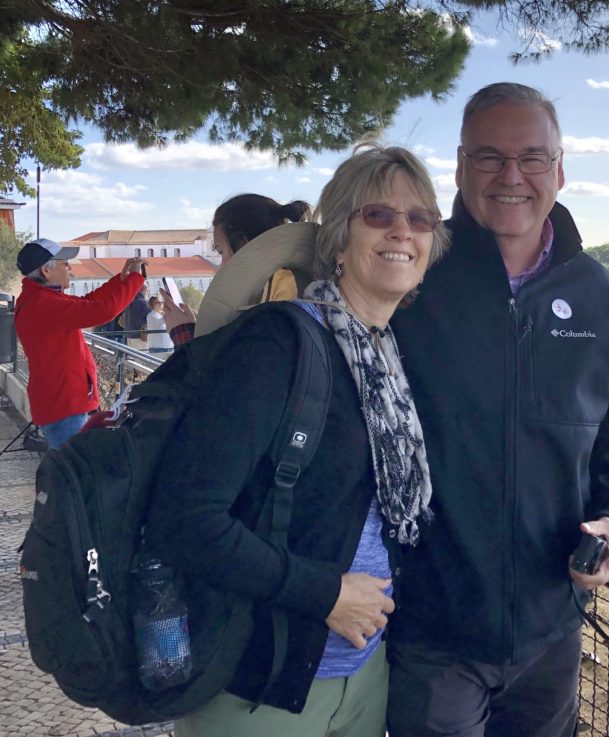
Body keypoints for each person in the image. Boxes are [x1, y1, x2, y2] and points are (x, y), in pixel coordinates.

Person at [145, 141, 450, 737]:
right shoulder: (276, 344)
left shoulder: (386, 356)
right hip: (259, 686)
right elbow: (184, 519)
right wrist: (326, 594)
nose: (402, 231)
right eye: (378, 215)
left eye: (420, 219)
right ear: (339, 236)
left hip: (363, 676)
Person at [388, 83, 609, 737]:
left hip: (551, 630)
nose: (512, 177)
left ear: (559, 170)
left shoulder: (596, 294)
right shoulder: (410, 277)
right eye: (489, 157)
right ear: (458, 167)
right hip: (432, 627)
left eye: (532, 158)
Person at [13, 238, 146, 448]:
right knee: (77, 475)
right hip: (65, 407)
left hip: (63, 404)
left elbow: (89, 301)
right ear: (46, 271)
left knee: (77, 471)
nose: (70, 268)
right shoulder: (43, 304)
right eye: (64, 263)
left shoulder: (41, 299)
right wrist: (135, 280)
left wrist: (121, 281)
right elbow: (102, 311)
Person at [161, 195, 311, 346]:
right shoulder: (296, 283)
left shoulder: (270, 303)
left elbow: (239, 364)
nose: (220, 267)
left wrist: (183, 333)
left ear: (244, 246)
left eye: (221, 252)